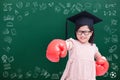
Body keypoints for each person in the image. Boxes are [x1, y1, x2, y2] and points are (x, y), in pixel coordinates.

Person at [46, 11, 109, 80]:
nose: (82, 35)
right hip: (73, 76)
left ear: (91, 33)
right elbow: (67, 44)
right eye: (79, 32)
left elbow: (99, 57)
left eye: (86, 32)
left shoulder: (93, 47)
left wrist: (103, 62)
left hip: (88, 77)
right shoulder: (73, 42)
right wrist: (60, 44)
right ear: (76, 32)